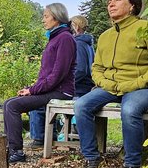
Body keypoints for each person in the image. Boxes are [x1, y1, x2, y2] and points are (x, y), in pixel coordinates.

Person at [75, 0, 148, 168]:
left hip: (146, 88)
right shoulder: (105, 36)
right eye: (109, 1)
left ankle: (132, 166)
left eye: (117, 0)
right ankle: (92, 158)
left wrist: (135, 83)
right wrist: (106, 83)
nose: (110, 4)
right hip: (112, 86)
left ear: (132, 5)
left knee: (129, 109)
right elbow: (97, 68)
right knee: (81, 105)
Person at [4, 3, 76, 163]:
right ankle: (9, 148)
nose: (43, 20)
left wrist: (33, 90)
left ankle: (17, 152)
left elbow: (58, 75)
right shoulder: (55, 37)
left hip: (61, 91)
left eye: (46, 16)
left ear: (56, 18)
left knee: (12, 106)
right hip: (51, 89)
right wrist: (31, 88)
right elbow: (47, 74)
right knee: (8, 103)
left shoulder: (65, 38)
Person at [27, 14, 97, 145]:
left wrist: (60, 82)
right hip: (85, 88)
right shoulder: (88, 44)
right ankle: (47, 136)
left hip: (78, 90)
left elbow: (80, 71)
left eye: (70, 26)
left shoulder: (78, 44)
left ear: (76, 27)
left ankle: (40, 138)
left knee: (36, 104)